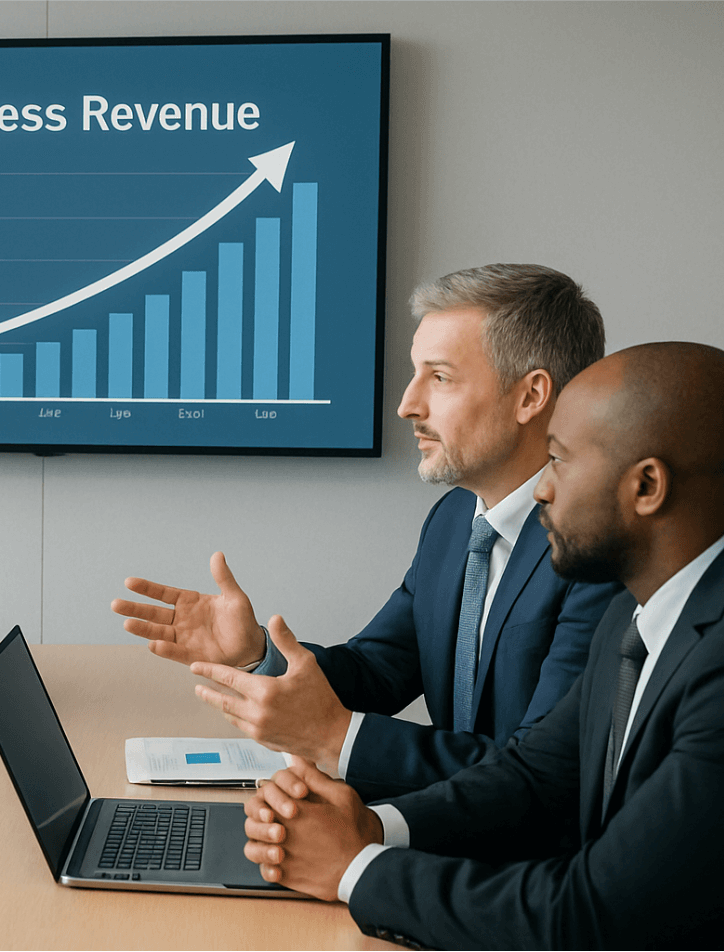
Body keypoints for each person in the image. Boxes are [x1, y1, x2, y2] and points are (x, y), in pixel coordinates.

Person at [242, 341, 724, 948]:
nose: (542, 490)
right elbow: (538, 776)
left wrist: (354, 869)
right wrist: (368, 827)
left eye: (560, 460)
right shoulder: (634, 609)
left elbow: (593, 915)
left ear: (647, 486)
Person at [113, 264, 621, 798]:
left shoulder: (599, 551)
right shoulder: (454, 520)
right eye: (414, 374)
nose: (407, 405)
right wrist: (255, 653)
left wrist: (337, 739)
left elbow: (538, 775)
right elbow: (378, 670)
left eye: (440, 377)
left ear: (531, 396)